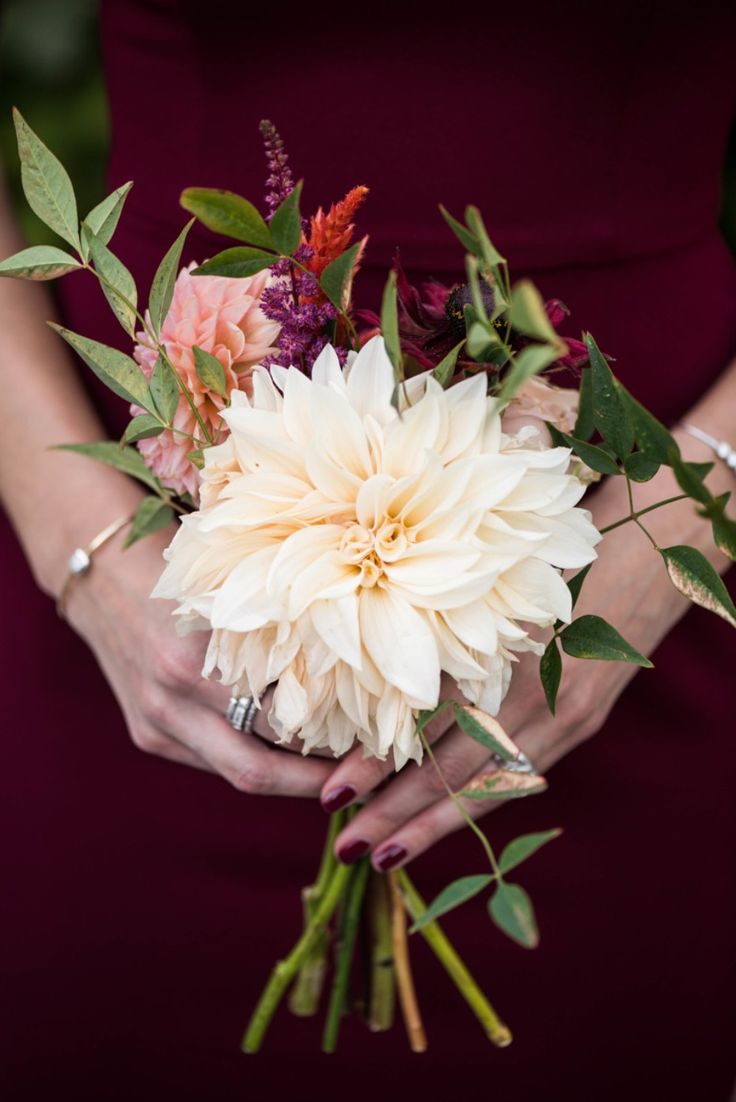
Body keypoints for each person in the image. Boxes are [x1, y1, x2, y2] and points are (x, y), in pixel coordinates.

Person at [1, 1, 735, 1098]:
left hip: (633, 553)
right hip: (151, 577)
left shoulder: (645, 567)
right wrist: (84, 546)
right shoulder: (112, 578)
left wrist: (673, 534)